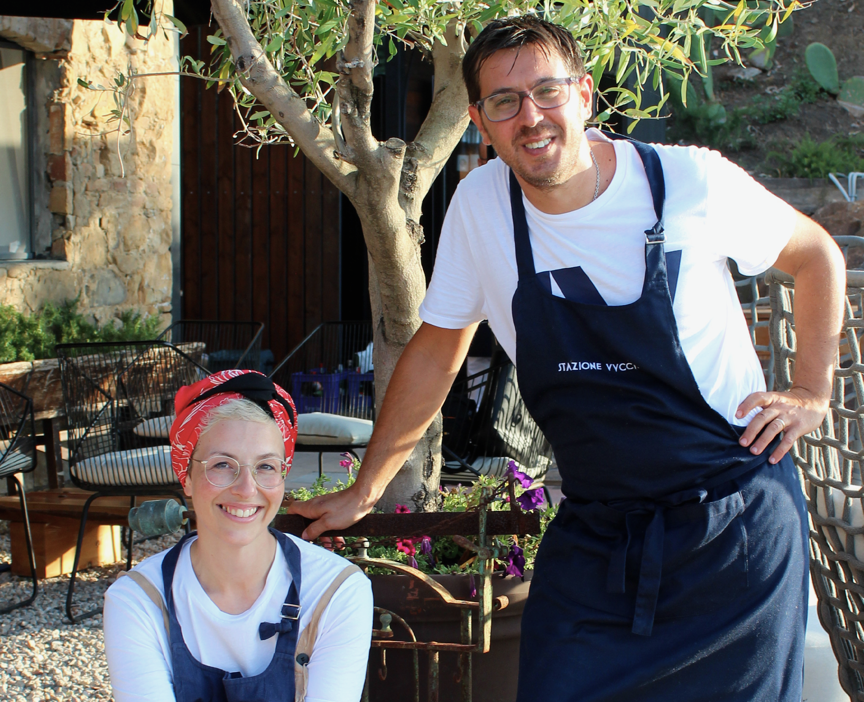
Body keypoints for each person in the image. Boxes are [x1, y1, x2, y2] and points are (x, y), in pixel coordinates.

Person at [288, 14, 846, 702]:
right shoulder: (482, 206)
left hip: (730, 537)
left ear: (584, 95)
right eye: (505, 102)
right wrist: (367, 486)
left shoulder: (687, 183)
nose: (531, 117)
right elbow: (437, 349)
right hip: (598, 535)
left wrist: (811, 390)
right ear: (480, 121)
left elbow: (816, 255)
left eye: (548, 92)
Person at [103, 370, 373, 702]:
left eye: (266, 467)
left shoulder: (335, 591)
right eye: (222, 464)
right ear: (185, 477)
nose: (247, 489)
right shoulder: (140, 600)